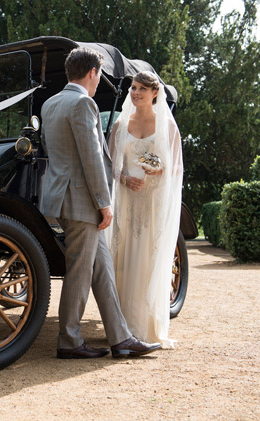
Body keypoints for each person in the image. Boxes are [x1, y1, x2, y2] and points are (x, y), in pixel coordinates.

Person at [40, 47, 161, 359]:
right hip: (82, 202)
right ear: (92, 73)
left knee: (102, 270)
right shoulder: (83, 103)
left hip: (61, 197)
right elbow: (92, 157)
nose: (99, 82)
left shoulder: (50, 103)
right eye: (99, 76)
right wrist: (104, 204)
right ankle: (69, 341)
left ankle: (121, 339)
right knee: (79, 273)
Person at [108, 71, 183, 348]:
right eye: (132, 88)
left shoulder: (166, 126)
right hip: (126, 199)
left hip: (152, 201)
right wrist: (126, 179)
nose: (135, 92)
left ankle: (146, 326)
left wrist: (158, 170)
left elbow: (176, 167)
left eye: (141, 88)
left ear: (155, 93)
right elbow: (111, 163)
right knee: (123, 259)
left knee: (148, 258)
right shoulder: (121, 124)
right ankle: (121, 326)